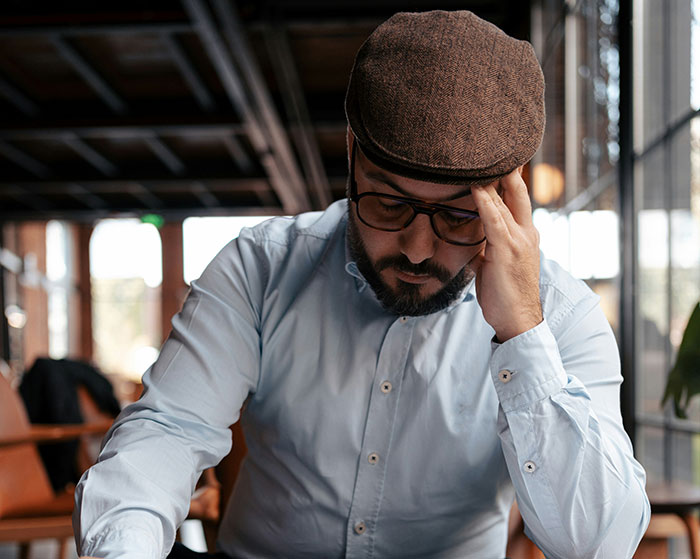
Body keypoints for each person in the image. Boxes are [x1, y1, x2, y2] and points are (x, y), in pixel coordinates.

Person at [74, 10, 650, 559]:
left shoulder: (563, 314)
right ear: (352, 156)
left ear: (510, 196)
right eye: (390, 203)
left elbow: (598, 546)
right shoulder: (260, 268)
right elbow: (168, 432)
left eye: (457, 216)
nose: (418, 250)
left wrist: (523, 334)